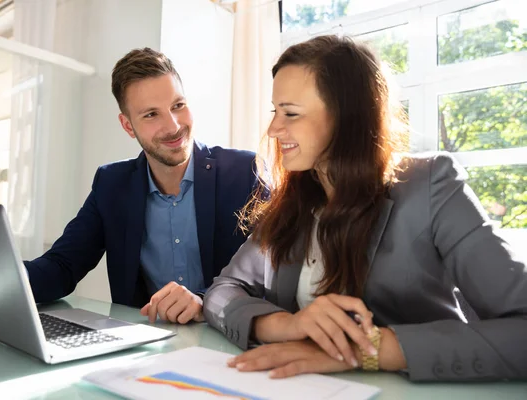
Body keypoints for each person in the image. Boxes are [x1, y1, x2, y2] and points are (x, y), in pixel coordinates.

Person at [203, 35, 527, 382]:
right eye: (275, 111)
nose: (273, 128)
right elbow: (221, 292)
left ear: (346, 119)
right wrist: (284, 325)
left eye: (291, 113)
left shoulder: (432, 186)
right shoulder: (293, 200)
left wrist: (367, 350)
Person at [25, 48, 260, 325]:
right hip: (144, 347)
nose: (173, 126)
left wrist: (204, 300)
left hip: (226, 342)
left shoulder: (245, 172)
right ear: (127, 125)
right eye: (151, 114)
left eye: (178, 106)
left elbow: (271, 275)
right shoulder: (112, 184)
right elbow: (62, 267)